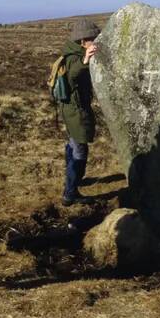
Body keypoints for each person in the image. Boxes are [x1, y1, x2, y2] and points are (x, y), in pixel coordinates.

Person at [58, 18, 101, 206]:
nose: (96, 41)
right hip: (76, 112)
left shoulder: (72, 51)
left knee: (72, 144)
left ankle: (72, 180)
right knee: (80, 151)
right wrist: (85, 60)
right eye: (93, 39)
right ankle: (70, 193)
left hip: (70, 110)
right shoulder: (74, 57)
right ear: (83, 41)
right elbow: (73, 74)